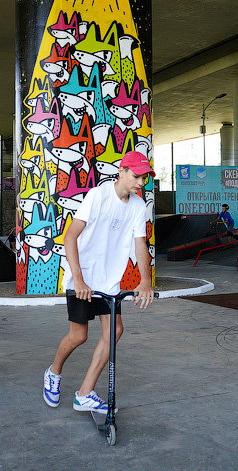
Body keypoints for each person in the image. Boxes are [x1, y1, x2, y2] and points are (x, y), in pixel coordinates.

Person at [43, 150, 156, 415]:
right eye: (137, 176)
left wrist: (145, 280)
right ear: (122, 172)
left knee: (114, 331)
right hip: (83, 277)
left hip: (108, 282)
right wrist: (79, 279)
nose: (141, 182)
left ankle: (85, 393)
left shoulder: (138, 206)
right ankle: (53, 372)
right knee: (78, 336)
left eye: (145, 177)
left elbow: (140, 244)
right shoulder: (99, 195)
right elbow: (70, 237)